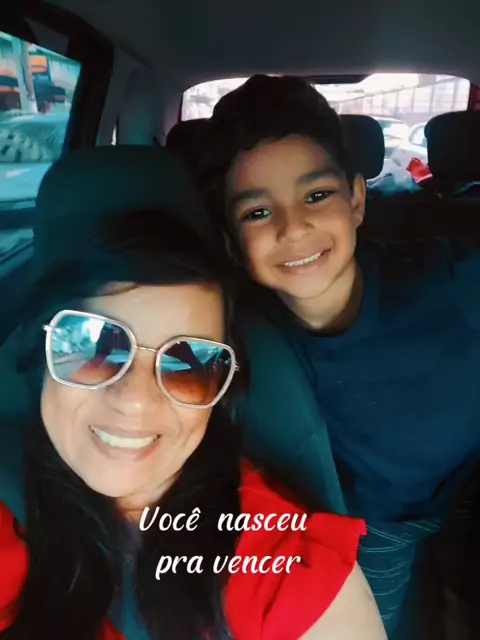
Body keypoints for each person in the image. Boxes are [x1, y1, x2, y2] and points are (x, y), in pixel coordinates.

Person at [0, 207, 385, 640]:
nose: (135, 400)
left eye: (189, 366)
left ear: (220, 394)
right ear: (43, 352)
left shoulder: (275, 565)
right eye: (95, 346)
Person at [196, 74, 480, 637]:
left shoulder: (450, 280)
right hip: (373, 522)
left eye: (316, 196)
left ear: (356, 200)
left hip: (470, 488)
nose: (294, 227)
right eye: (257, 213)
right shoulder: (236, 336)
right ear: (230, 241)